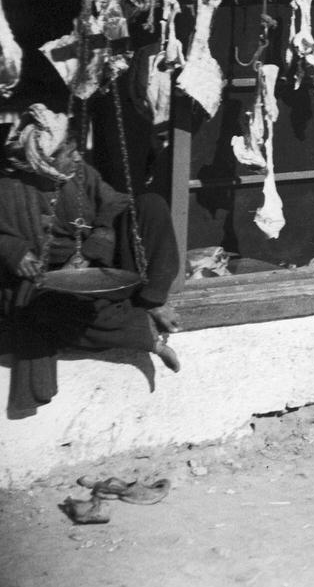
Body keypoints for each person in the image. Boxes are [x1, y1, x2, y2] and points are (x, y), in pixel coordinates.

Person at [0, 104, 182, 419]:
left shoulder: (81, 173)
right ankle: (147, 336)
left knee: (151, 205)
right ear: (44, 160)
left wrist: (97, 242)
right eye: (68, 153)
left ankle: (152, 299)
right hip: (48, 279)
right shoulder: (8, 188)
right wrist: (11, 250)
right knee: (43, 314)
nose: (77, 158)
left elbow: (114, 203)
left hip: (98, 257)